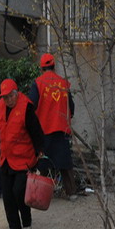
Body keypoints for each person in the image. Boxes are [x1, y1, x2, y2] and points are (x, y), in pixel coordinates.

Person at [0, 79, 44, 229]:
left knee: (19, 190)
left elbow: (36, 131)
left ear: (17, 93)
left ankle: (26, 222)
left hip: (24, 158)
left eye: (11, 96)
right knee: (7, 193)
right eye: (5, 97)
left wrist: (39, 151)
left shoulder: (26, 107)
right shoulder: (0, 106)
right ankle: (14, 226)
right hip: (6, 157)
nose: (8, 100)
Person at [28, 52, 77, 199]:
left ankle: (39, 194)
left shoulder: (38, 83)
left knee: (42, 162)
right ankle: (71, 193)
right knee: (65, 163)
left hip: (44, 129)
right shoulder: (63, 83)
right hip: (62, 129)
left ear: (41, 68)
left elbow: (30, 106)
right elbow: (71, 107)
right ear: (54, 67)